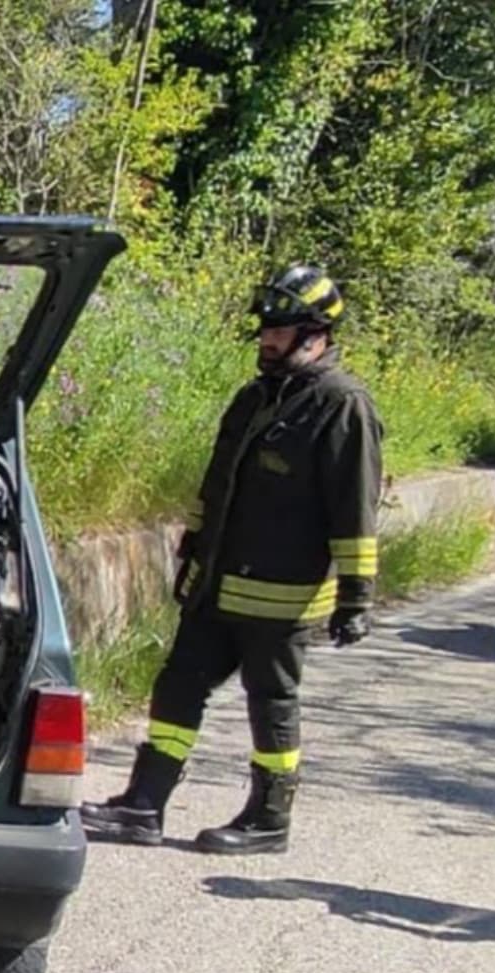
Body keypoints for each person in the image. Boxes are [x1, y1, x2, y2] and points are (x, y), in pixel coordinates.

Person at [80, 264, 383, 855]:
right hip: (218, 585)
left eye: (280, 330)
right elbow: (217, 486)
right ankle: (144, 804)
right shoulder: (254, 398)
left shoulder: (342, 405)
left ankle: (269, 817)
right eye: (265, 329)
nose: (267, 339)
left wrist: (356, 596)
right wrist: (193, 549)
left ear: (316, 336)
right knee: (178, 686)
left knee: (270, 702)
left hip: (281, 594)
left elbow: (355, 507)